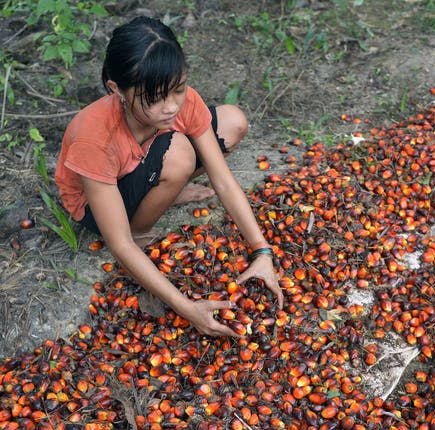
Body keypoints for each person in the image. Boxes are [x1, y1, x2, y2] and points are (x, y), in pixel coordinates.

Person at [54, 16, 284, 337]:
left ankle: (168, 187)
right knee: (178, 154)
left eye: (178, 89)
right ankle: (144, 228)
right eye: (155, 97)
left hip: (148, 162)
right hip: (98, 205)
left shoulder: (179, 102)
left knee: (232, 121)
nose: (171, 107)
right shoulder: (94, 137)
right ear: (116, 89)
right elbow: (118, 243)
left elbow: (223, 179)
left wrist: (261, 250)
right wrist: (186, 307)